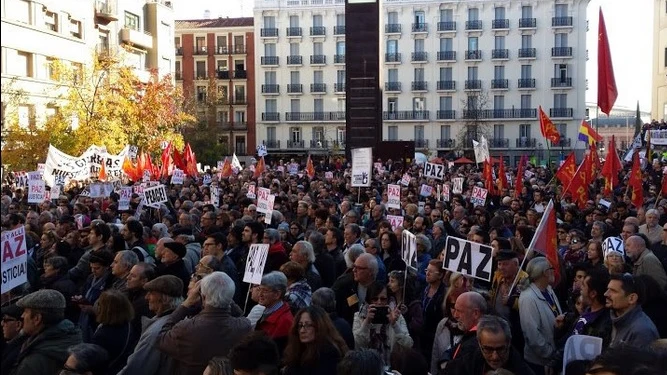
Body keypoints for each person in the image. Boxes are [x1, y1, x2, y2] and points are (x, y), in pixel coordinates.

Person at [158, 272, 252, 375]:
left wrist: (185, 304)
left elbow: (161, 339)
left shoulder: (186, 328)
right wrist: (226, 297)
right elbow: (241, 316)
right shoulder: (244, 327)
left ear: (203, 297)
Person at [118, 275, 184, 375]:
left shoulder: (156, 332)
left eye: (151, 293)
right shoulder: (180, 319)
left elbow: (136, 369)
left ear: (164, 299)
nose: (146, 297)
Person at [10, 289, 82, 375]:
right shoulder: (74, 337)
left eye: (26, 312)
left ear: (37, 319)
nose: (22, 316)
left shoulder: (33, 364)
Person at [445, 315, 535, 375]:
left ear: (509, 343)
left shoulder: (522, 370)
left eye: (500, 349)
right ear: (479, 344)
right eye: (488, 349)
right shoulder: (468, 362)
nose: (494, 357)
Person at [519, 257, 562, 375]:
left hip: (552, 358)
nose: (554, 271)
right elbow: (532, 335)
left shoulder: (548, 289)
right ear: (545, 273)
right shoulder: (528, 298)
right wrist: (551, 355)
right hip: (539, 363)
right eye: (551, 268)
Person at [352, 281, 413, 365]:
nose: (379, 302)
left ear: (388, 300)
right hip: (366, 367)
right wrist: (366, 322)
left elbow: (408, 344)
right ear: (369, 300)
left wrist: (394, 325)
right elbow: (357, 344)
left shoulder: (397, 318)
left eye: (383, 299)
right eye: (375, 299)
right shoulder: (359, 317)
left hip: (390, 366)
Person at [283, 306, 349, 375]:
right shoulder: (298, 350)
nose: (302, 331)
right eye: (300, 326)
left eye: (308, 325)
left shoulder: (329, 353)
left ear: (320, 326)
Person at [605, 273, 659, 347]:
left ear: (632, 298)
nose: (606, 294)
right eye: (608, 289)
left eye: (613, 291)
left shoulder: (642, 331)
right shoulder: (611, 319)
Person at [90, 290, 137, 374]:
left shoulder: (103, 335)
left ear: (106, 309)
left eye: (99, 304)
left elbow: (93, 361)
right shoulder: (127, 325)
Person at [255, 271, 294, 353]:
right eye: (259, 289)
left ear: (277, 294)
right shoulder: (268, 311)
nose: (260, 294)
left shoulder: (285, 321)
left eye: (265, 290)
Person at [1, 304, 27, 374]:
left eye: (5, 320)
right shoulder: (12, 345)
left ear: (18, 325)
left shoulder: (19, 351)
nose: (2, 324)